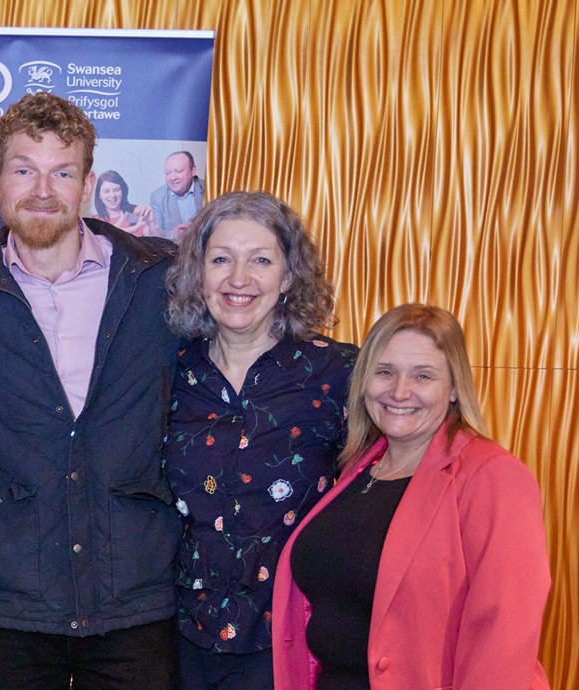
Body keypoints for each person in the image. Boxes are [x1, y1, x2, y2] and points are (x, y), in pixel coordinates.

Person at [0, 91, 183, 688]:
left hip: (135, 605)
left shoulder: (160, 282)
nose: (42, 189)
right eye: (24, 169)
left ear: (86, 184)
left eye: (62, 172)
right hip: (8, 609)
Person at [273, 304, 551, 690]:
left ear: (454, 388)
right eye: (384, 372)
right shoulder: (359, 469)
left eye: (423, 376)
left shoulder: (493, 476)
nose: (399, 392)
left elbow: (505, 636)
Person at [162, 192, 357, 689]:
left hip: (291, 641)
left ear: (288, 276)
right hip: (176, 640)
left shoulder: (339, 374)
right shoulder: (168, 373)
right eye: (221, 259)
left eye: (261, 260)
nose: (239, 279)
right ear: (197, 273)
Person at [150, 151, 205, 239]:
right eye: (168, 173)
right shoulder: (157, 197)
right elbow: (156, 234)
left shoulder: (209, 190)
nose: (172, 178)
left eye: (178, 171)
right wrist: (174, 234)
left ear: (193, 170)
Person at [91, 170, 156, 237]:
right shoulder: (95, 221)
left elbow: (156, 239)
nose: (112, 195)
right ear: (99, 195)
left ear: (123, 191)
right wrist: (134, 228)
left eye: (117, 190)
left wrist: (152, 222)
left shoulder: (135, 215)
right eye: (106, 191)